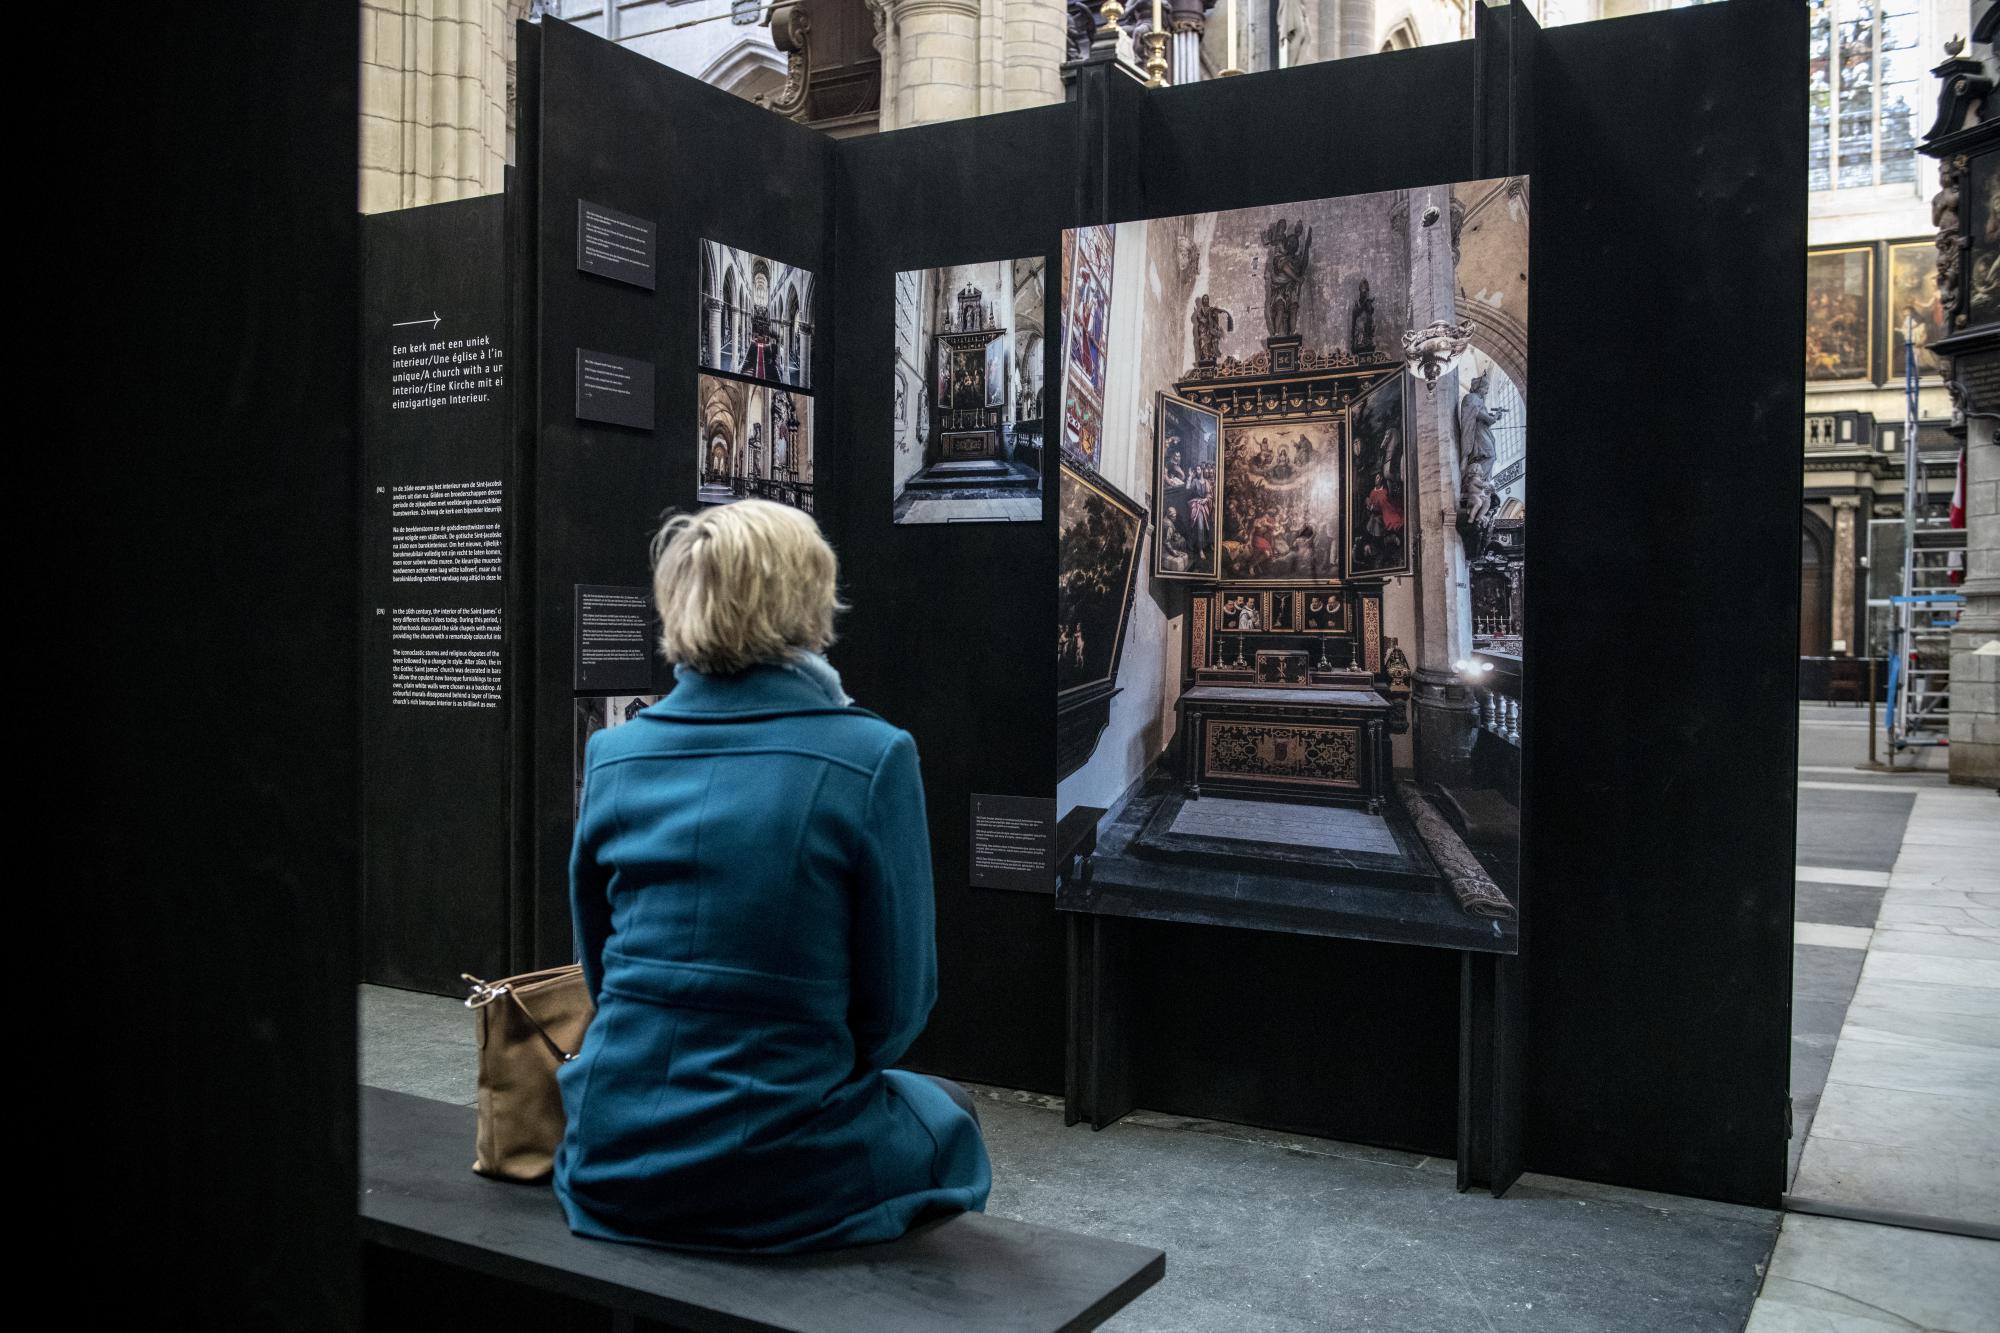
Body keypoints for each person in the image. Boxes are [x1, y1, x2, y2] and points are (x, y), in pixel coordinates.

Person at [555, 500, 991, 1253]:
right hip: (783, 1173)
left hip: (610, 1157)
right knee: (950, 1113)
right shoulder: (873, 756)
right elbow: (896, 1011)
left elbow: (600, 973)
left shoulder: (614, 754)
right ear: (809, 600)